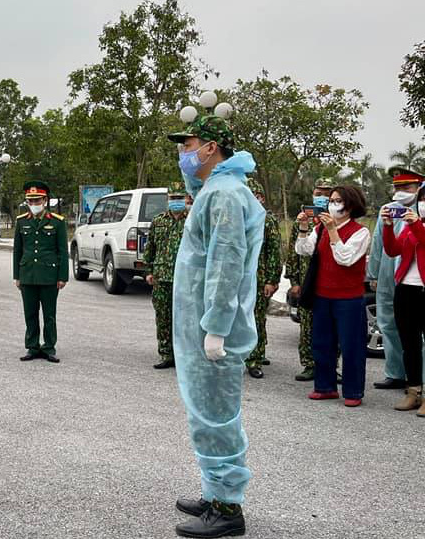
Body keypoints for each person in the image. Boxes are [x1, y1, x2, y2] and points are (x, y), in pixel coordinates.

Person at [167, 104, 264, 538]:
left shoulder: (224, 193)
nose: (183, 153)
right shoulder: (215, 189)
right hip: (204, 322)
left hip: (215, 328)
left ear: (210, 149)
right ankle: (214, 490)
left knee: (218, 414)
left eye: (187, 145)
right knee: (205, 411)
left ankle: (228, 508)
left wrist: (217, 327)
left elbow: (226, 263)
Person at [295, 185, 370, 407]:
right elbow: (303, 250)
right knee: (322, 343)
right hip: (322, 295)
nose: (332, 205)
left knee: (351, 346)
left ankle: (353, 391)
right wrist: (303, 227)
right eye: (331, 200)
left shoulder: (360, 232)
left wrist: (333, 231)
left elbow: (345, 258)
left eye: (338, 201)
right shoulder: (320, 228)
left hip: (349, 299)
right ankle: (325, 387)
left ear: (350, 206)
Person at [369, 166, 425, 390]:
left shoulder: (420, 210)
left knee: (417, 332)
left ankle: (419, 378)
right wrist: (373, 273)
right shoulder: (388, 209)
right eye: (397, 187)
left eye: (406, 187)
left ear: (419, 187)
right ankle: (395, 372)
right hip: (389, 273)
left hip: (416, 278)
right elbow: (379, 243)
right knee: (388, 323)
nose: (400, 192)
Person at [13, 181, 68, 363]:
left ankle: (49, 347)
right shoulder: (21, 221)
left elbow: (63, 251)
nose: (34, 204)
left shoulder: (57, 222)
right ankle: (32, 346)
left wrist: (62, 277)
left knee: (49, 315)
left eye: (37, 200)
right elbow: (18, 250)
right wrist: (17, 276)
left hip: (49, 276)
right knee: (30, 313)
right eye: (30, 201)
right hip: (27, 275)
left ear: (45, 200)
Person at [285, 178, 334, 381]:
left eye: (326, 194)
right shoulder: (303, 220)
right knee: (307, 326)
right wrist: (294, 282)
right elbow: (293, 254)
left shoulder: (336, 220)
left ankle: (331, 366)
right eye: (318, 193)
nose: (322, 197)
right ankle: (309, 365)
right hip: (306, 283)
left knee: (330, 327)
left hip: (329, 283)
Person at [382, 186, 425, 415]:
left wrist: (416, 224)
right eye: (422, 199)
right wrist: (388, 227)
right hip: (406, 288)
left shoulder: (415, 225)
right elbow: (392, 250)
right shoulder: (410, 226)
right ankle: (414, 390)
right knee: (409, 343)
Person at [143, 183, 189, 369]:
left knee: (184, 319)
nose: (176, 201)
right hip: (162, 277)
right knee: (163, 317)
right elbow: (150, 248)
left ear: (186, 199)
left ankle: (183, 355)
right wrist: (148, 271)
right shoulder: (158, 221)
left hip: (185, 279)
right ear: (167, 200)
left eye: (179, 198)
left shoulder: (193, 220)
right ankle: (166, 354)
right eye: (173, 198)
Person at [244, 179, 282, 379]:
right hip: (239, 278)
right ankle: (241, 354)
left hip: (259, 278)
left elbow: (274, 251)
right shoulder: (236, 217)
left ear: (262, 198)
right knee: (239, 318)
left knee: (256, 319)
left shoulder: (267, 221)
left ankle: (255, 359)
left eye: (255, 196)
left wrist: (272, 280)